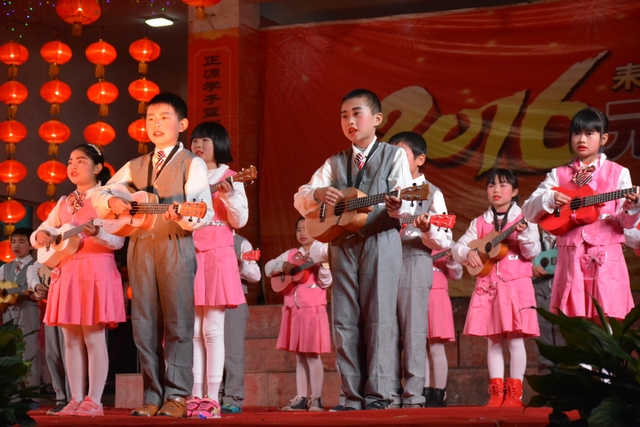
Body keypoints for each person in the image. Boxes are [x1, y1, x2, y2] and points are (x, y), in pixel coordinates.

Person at [91, 93, 214, 418]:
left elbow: (202, 207)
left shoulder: (192, 162)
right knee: (143, 324)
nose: (156, 124)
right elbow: (100, 192)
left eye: (164, 117)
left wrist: (184, 214)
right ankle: (152, 395)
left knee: (178, 322)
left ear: (182, 124)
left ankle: (177, 395)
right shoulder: (135, 165)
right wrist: (112, 201)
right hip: (140, 246)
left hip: (176, 243)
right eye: (151, 118)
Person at [294, 88, 414, 410]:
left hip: (380, 239)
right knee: (344, 320)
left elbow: (407, 199)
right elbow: (301, 197)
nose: (350, 121)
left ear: (377, 119)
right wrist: (318, 194)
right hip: (341, 244)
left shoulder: (393, 155)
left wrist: (399, 205)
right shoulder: (334, 162)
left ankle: (380, 396)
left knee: (380, 319)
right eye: (344, 116)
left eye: (357, 114)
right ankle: (351, 397)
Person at [31, 144, 126, 416]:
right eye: (70, 161)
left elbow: (117, 240)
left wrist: (98, 233)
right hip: (68, 271)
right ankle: (74, 399)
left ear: (97, 168)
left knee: (93, 336)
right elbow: (41, 233)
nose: (72, 166)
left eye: (81, 161)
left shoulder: (108, 197)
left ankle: (94, 400)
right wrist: (40, 236)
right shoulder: (64, 201)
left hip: (96, 270)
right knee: (70, 338)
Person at [522, 107, 639, 323]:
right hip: (571, 259)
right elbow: (528, 212)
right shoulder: (558, 175)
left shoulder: (618, 172)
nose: (581, 139)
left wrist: (632, 206)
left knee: (606, 325)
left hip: (605, 259)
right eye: (576, 133)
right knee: (575, 325)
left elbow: (626, 223)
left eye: (589, 133)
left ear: (604, 138)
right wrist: (549, 198)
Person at [452, 168, 540, 407]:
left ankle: (514, 394)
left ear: (515, 191)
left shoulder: (525, 218)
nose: (496, 190)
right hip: (489, 287)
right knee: (494, 341)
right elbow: (457, 248)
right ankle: (496, 393)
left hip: (516, 287)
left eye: (503, 185)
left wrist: (523, 235)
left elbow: (533, 252)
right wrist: (468, 253)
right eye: (491, 185)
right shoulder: (480, 222)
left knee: (515, 340)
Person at [186, 121, 248, 419]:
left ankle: (212, 397)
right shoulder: (188, 177)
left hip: (218, 254)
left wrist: (228, 194)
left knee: (212, 329)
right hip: (190, 253)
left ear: (219, 144)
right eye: (195, 141)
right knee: (194, 332)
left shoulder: (231, 176)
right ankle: (195, 395)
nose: (198, 145)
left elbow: (240, 221)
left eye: (205, 140)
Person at [388, 131, 452, 408]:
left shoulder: (432, 193)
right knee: (385, 330)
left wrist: (427, 230)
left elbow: (444, 239)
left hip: (415, 258)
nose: (394, 162)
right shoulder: (384, 190)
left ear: (420, 159)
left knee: (413, 330)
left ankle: (414, 395)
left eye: (401, 155)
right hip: (384, 261)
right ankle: (387, 393)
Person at [265, 217, 332, 412]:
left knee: (312, 355)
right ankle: (301, 398)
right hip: (294, 309)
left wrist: (323, 265)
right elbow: (268, 267)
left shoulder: (321, 251)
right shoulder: (291, 254)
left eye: (306, 228)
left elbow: (325, 282)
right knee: (300, 356)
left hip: (312, 309)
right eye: (299, 229)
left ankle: (316, 398)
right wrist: (280, 266)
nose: (302, 233)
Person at [219, 231, 261, 414]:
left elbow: (255, 275)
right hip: (208, 298)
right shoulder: (202, 237)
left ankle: (232, 397)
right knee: (209, 351)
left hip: (234, 300)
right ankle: (212, 396)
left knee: (233, 351)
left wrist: (241, 263)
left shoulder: (241, 243)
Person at [25, 261, 72, 415]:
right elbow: (33, 268)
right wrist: (36, 284)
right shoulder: (49, 250)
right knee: (53, 353)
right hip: (52, 304)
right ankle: (61, 399)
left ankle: (74, 398)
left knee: (69, 353)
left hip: (71, 300)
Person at [1, 228, 40, 399]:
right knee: (11, 353)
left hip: (28, 310)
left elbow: (38, 291)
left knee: (29, 351)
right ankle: (14, 396)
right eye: (14, 242)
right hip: (8, 312)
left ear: (31, 246)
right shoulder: (5, 267)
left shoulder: (37, 266)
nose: (16, 245)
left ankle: (32, 395)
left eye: (21, 241)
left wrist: (25, 291)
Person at [424, 247, 462, 407]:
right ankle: (424, 391)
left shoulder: (446, 244)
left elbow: (457, 275)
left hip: (438, 296)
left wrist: (452, 261)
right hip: (417, 294)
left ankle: (440, 392)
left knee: (436, 347)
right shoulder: (410, 240)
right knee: (419, 348)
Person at [531, 229, 564, 374]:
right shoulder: (531, 240)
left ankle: (567, 384)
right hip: (539, 291)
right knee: (543, 343)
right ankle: (547, 383)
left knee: (564, 339)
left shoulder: (567, 237)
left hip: (564, 291)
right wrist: (530, 268)